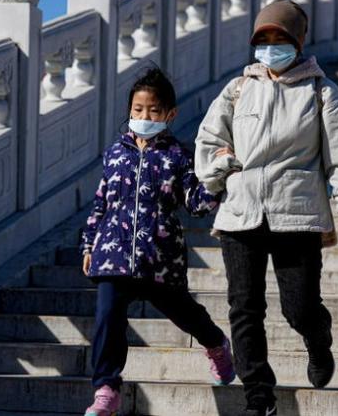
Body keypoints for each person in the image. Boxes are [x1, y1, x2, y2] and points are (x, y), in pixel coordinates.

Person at [195, 0, 338, 416]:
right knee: (244, 308)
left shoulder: (321, 91)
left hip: (298, 212)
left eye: (281, 39)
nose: (271, 47)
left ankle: (318, 337)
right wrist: (225, 167)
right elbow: (207, 144)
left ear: (299, 41)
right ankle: (258, 396)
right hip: (242, 212)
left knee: (300, 306)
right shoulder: (238, 89)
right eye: (264, 40)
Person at [79, 69, 235, 416]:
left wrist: (219, 173)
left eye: (152, 110)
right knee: (107, 317)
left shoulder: (178, 156)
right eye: (137, 110)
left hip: (160, 256)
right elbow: (101, 203)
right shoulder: (114, 154)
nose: (143, 117)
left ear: (170, 114)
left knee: (186, 315)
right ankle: (106, 388)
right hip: (113, 253)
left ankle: (216, 344)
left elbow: (196, 204)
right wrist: (89, 244)